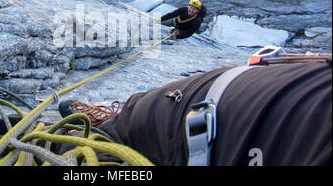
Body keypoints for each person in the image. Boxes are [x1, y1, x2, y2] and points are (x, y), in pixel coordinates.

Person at [58, 60, 332, 166]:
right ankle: (96, 133)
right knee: (100, 148)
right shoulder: (188, 15)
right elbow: (175, 16)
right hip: (194, 109)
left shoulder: (195, 18)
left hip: (235, 94)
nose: (190, 11)